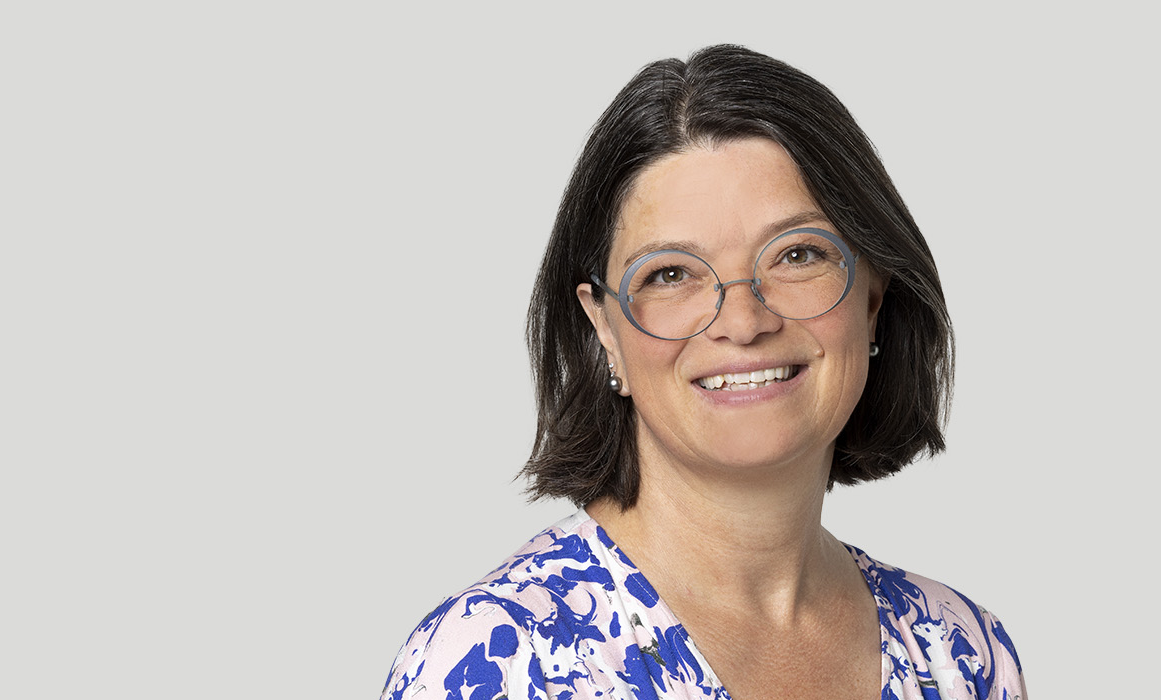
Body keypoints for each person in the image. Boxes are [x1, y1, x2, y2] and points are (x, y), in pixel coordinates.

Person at [377, 45, 1024, 700]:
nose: (743, 321)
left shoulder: (961, 651)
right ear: (605, 328)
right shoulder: (500, 659)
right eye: (670, 273)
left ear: (873, 299)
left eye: (798, 255)